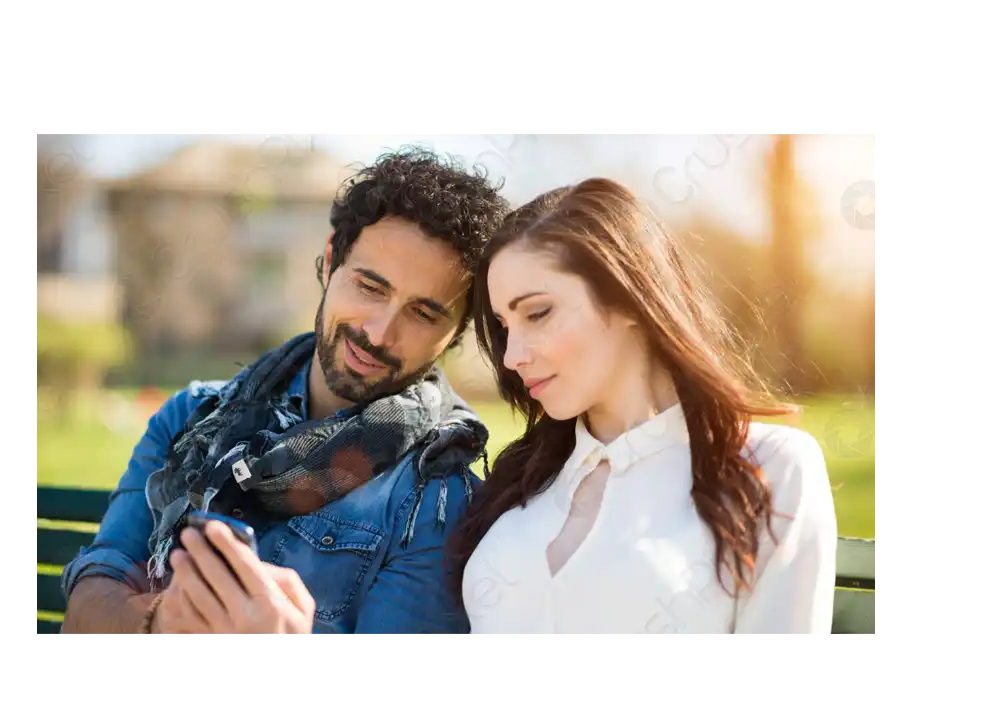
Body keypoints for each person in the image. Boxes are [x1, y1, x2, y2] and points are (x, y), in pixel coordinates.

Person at [60, 148, 510, 638]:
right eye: (370, 287)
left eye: (423, 314)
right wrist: (160, 623)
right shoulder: (191, 417)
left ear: (456, 333)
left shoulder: (438, 500)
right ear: (332, 259)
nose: (380, 333)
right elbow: (86, 609)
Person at [447, 178, 838, 639]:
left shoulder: (770, 467)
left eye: (537, 314)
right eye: (503, 325)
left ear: (629, 296)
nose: (512, 357)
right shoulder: (523, 479)